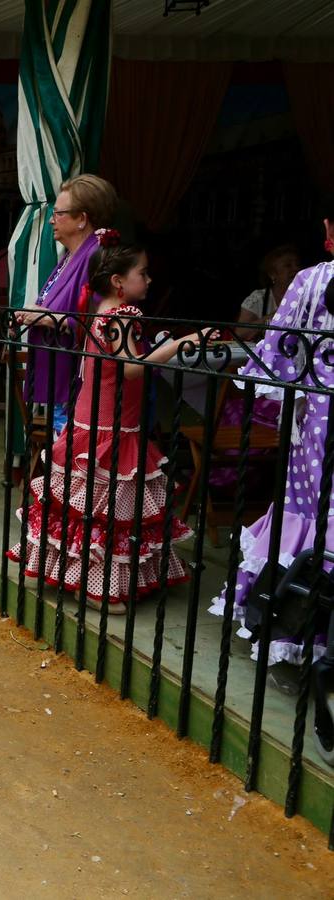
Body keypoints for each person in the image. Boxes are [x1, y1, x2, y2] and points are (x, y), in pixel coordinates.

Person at [7, 233, 203, 614]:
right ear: (119, 281)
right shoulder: (125, 316)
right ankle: (97, 585)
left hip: (89, 420)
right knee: (110, 509)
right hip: (113, 426)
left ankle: (65, 572)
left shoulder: (99, 310)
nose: (148, 281)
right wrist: (180, 344)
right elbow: (132, 368)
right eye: (142, 274)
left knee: (83, 506)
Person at [210, 206, 334, 665]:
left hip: (321, 419)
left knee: (311, 509)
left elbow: (277, 360)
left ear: (327, 229)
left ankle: (300, 622)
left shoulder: (311, 283)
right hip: (320, 419)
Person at [11, 174, 119, 435]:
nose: (51, 220)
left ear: (82, 219)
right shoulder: (74, 255)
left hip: (78, 384)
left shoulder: (96, 255)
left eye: (58, 213)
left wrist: (44, 318)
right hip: (64, 381)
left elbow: (99, 322)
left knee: (70, 465)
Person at [236, 244, 301, 341]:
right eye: (288, 265)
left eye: (298, 264)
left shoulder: (307, 295)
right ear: (272, 274)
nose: (296, 269)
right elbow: (240, 334)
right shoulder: (258, 298)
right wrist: (275, 315)